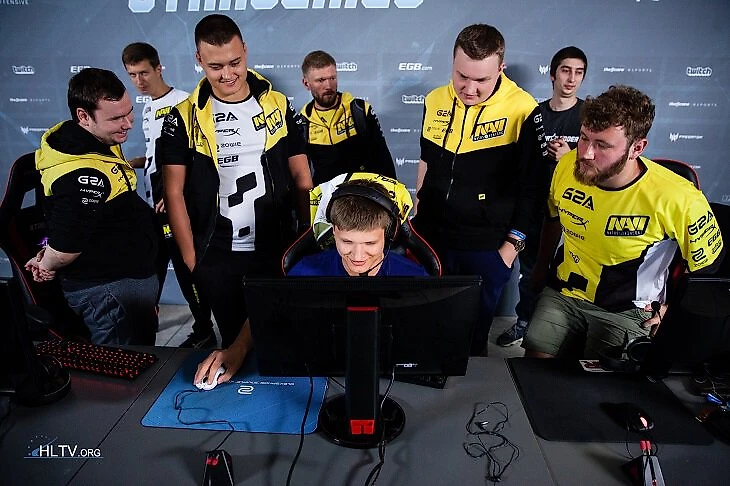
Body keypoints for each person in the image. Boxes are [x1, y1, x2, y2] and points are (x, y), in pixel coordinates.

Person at [522, 85, 725, 359]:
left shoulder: (680, 197)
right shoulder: (568, 165)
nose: (586, 153)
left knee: (600, 379)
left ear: (636, 148)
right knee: (534, 370)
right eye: (584, 138)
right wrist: (540, 269)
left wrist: (671, 312)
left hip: (628, 308)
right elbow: (553, 218)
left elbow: (707, 270)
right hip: (564, 292)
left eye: (602, 145)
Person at [157, 14, 313, 350]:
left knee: (284, 343)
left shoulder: (277, 103)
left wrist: (306, 234)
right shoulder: (182, 117)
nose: (227, 74)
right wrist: (192, 261)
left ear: (245, 50)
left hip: (275, 247)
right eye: (215, 67)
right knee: (233, 346)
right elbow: (173, 192)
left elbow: (301, 175)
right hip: (218, 255)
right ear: (199, 59)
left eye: (235, 62)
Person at [194, 177, 427, 386]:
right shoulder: (305, 271)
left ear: (388, 236)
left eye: (370, 244)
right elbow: (268, 313)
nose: (358, 256)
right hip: (319, 377)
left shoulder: (415, 277)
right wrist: (237, 348)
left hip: (393, 379)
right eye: (347, 242)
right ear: (334, 232)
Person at [412, 24, 547, 355]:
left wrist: (509, 251)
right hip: (431, 238)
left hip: (485, 248)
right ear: (452, 63)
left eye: (481, 80)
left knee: (469, 345)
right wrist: (418, 208)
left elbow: (534, 188)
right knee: (423, 331)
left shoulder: (523, 108)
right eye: (462, 76)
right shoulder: (434, 99)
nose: (469, 89)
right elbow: (426, 159)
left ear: (500, 69)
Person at [25, 68, 159, 345]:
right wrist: (45, 263)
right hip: (109, 291)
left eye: (129, 112)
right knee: (123, 363)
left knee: (142, 356)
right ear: (84, 116)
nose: (128, 124)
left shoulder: (94, 138)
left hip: (125, 282)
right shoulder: (80, 176)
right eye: (116, 118)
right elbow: (65, 249)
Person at [121, 42, 215, 349]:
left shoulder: (183, 102)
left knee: (187, 270)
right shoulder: (148, 107)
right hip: (153, 204)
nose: (139, 81)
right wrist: (129, 163)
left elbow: (197, 156)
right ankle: (148, 333)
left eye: (144, 72)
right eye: (132, 75)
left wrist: (179, 196)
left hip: (174, 204)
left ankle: (204, 330)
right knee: (152, 269)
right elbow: (155, 156)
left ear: (159, 68)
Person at [497, 46, 588, 347]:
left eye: (578, 72)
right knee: (531, 271)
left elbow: (603, 166)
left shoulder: (589, 117)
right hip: (536, 208)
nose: (571, 78)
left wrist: (569, 157)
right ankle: (525, 323)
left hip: (578, 211)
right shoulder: (535, 115)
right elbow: (520, 165)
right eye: (566, 70)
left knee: (571, 273)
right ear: (552, 74)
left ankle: (566, 331)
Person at [299, 50, 396, 186]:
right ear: (306, 84)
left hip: (364, 193)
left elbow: (384, 160)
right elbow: (302, 176)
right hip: (326, 197)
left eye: (332, 78)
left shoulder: (360, 110)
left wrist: (392, 194)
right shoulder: (302, 123)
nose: (328, 86)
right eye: (320, 80)